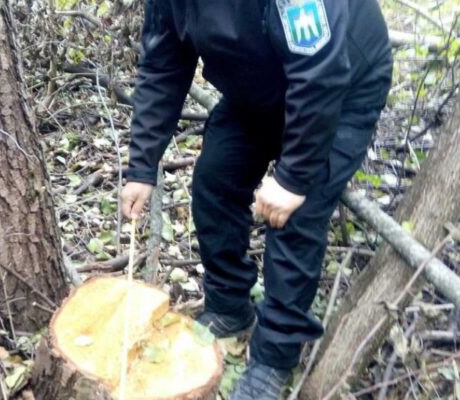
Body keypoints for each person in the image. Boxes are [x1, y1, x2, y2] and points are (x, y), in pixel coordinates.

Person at [121, 0, 393, 398]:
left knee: (296, 215)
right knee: (215, 179)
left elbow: (320, 73)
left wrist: (293, 178)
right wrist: (142, 166)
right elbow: (163, 64)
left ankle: (274, 358)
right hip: (260, 83)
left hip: (341, 86)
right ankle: (229, 306)